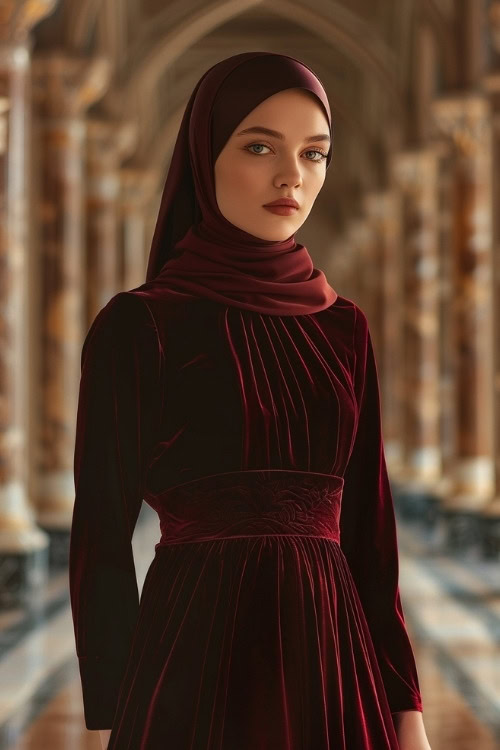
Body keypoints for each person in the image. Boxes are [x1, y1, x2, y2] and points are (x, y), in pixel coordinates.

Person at [69, 51, 431, 749]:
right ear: (205, 154)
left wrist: (404, 705)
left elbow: (369, 532)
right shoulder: (141, 325)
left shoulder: (343, 325)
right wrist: (108, 719)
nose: (291, 176)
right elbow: (101, 540)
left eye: (314, 153)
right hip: (192, 656)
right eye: (259, 145)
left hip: (335, 660)